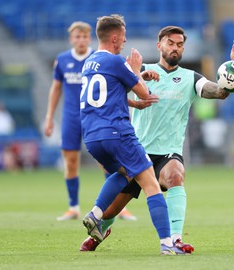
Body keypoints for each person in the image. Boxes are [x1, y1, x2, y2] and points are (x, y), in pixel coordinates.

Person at [80, 26, 234, 253]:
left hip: (168, 152)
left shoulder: (190, 78)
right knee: (110, 211)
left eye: (179, 45)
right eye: (171, 43)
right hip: (136, 149)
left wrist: (232, 70)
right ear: (160, 46)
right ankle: (101, 230)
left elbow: (217, 92)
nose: (175, 48)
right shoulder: (138, 72)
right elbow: (111, 94)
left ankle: (175, 239)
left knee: (176, 175)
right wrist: (138, 76)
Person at [79, 14, 184, 255]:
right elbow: (146, 93)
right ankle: (167, 244)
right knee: (151, 185)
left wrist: (133, 102)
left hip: (93, 137)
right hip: (118, 133)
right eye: (124, 37)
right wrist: (136, 70)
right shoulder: (117, 62)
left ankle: (96, 214)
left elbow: (106, 94)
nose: (125, 42)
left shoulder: (90, 63)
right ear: (114, 38)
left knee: (123, 173)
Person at [43, 21, 137, 222]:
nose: (81, 40)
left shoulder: (98, 59)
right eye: (77, 36)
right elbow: (56, 88)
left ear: (90, 38)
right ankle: (73, 207)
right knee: (70, 161)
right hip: (71, 117)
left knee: (107, 163)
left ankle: (116, 206)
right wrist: (49, 117)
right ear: (71, 39)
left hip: (97, 117)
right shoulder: (62, 60)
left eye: (84, 36)